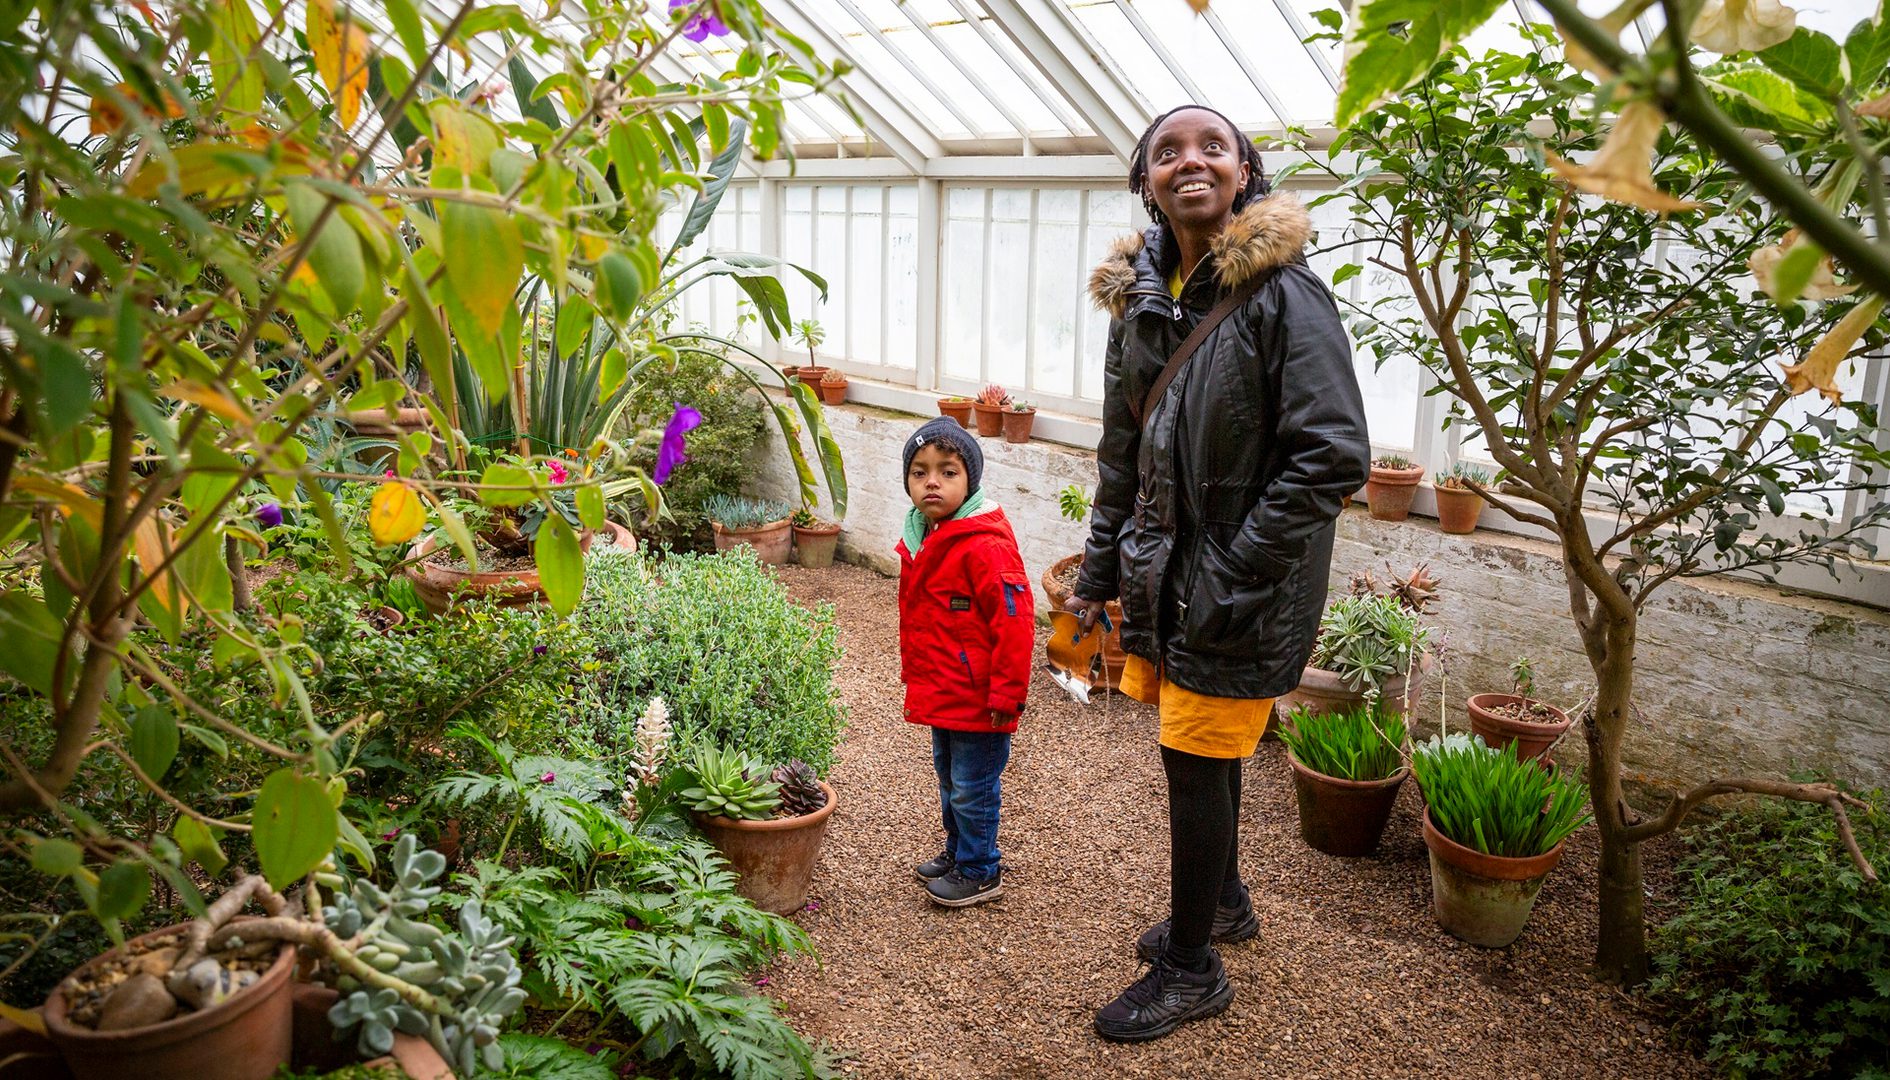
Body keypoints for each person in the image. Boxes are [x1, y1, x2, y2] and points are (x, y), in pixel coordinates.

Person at [1069, 105, 1371, 1041]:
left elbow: (1330, 456)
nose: (1189, 161)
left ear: (1246, 172)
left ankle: (1193, 969)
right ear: (1145, 182)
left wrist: (1233, 575)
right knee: (1200, 747)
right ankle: (1226, 902)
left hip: (1243, 587)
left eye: (1212, 146)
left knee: (1194, 760)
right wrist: (1097, 572)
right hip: (1169, 574)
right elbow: (1123, 453)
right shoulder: (1142, 301)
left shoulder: (1287, 297)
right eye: (1167, 152)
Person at [896, 417, 1035, 908]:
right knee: (951, 780)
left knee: (973, 787)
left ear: (970, 480)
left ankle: (980, 869)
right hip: (945, 691)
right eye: (920, 472)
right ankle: (958, 852)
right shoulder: (925, 537)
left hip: (979, 698)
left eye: (947, 472)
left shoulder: (984, 545)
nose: (931, 482)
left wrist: (1006, 695)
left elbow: (1015, 623)